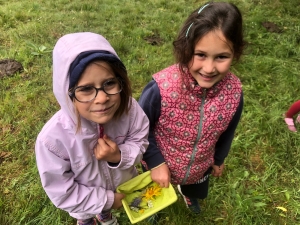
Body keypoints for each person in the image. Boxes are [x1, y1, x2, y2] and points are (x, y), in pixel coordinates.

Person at [138, 2, 245, 216]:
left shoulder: (234, 93)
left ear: (236, 53)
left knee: (196, 186)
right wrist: (155, 161)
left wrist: (219, 159)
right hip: (159, 164)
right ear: (186, 47)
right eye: (200, 54)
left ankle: (189, 195)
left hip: (200, 166)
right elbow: (138, 129)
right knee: (154, 192)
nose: (209, 68)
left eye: (222, 57)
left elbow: (228, 130)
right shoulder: (161, 89)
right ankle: (155, 210)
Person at [35, 32, 149, 225]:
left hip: (122, 183)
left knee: (104, 210)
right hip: (84, 198)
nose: (102, 98)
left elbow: (140, 139)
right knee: (85, 214)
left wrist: (119, 156)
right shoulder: (52, 140)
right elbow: (63, 191)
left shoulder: (130, 109)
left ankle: (104, 214)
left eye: (109, 83)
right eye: (86, 89)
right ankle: (88, 218)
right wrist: (108, 200)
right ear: (67, 93)